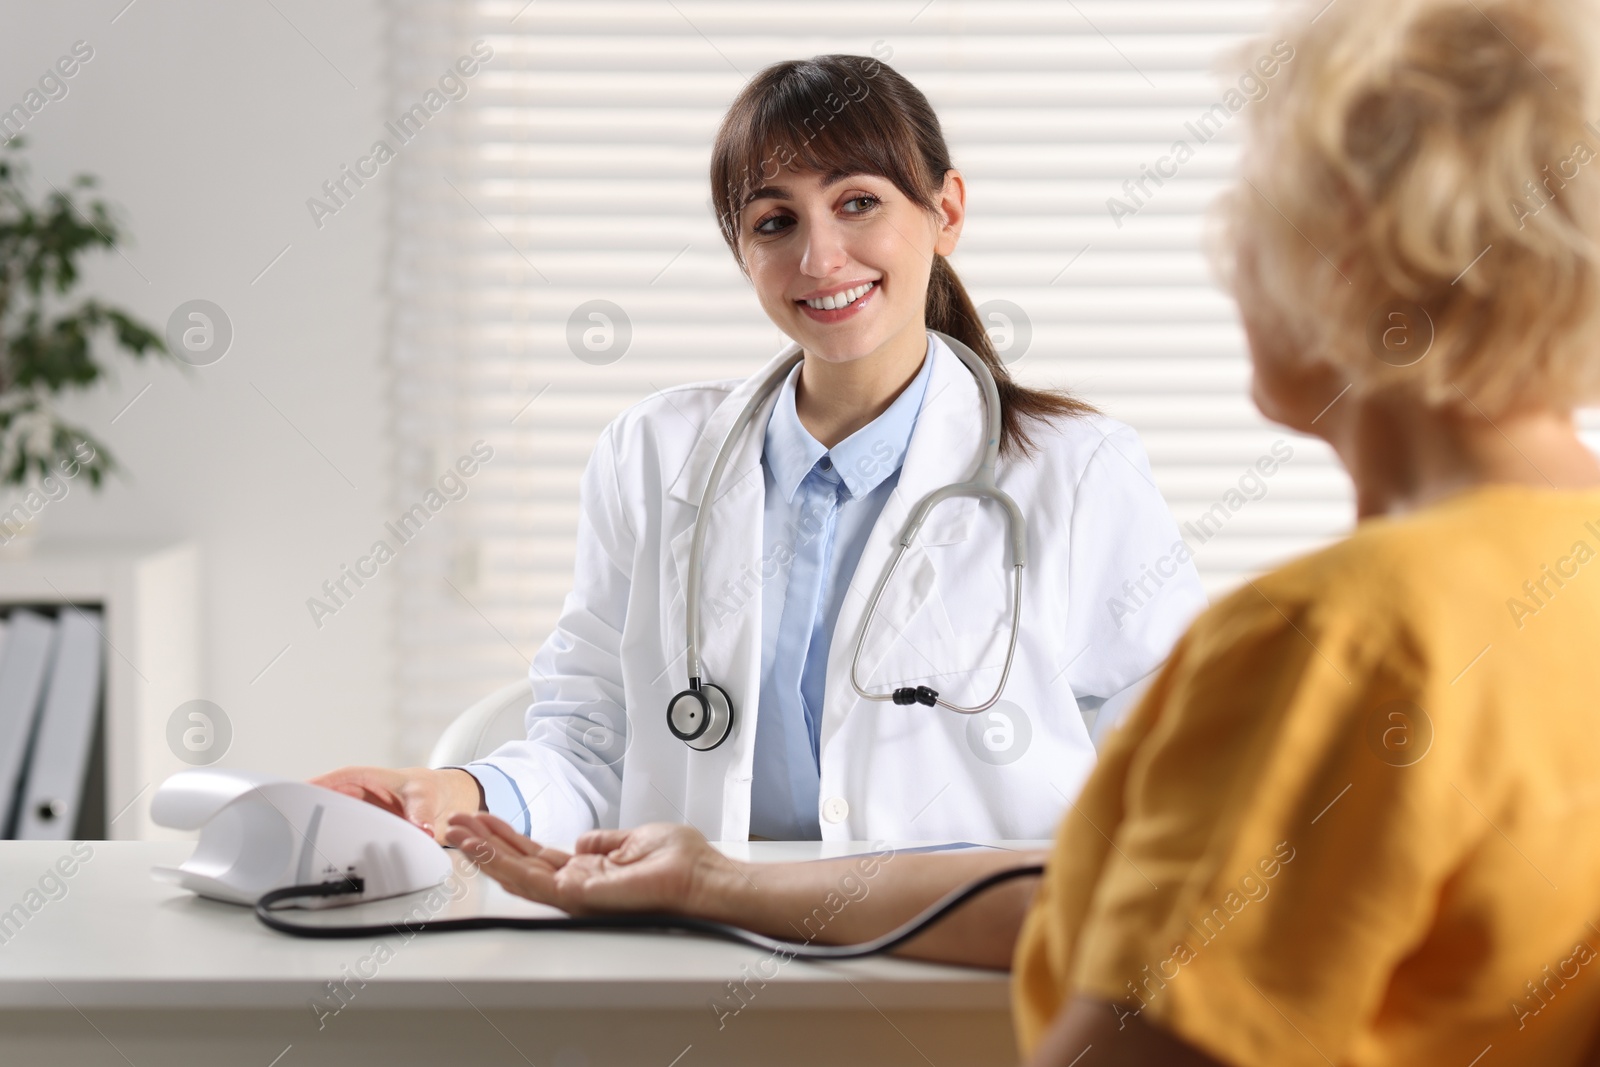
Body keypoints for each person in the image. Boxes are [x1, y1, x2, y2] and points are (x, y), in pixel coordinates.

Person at [440, 1, 1600, 1063]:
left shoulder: (1328, 643)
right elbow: (1097, 880)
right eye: (773, 220)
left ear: (1336, 270)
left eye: (1247, 214)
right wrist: (720, 880)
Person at [314, 55, 1205, 845]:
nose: (820, 257)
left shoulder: (1076, 470)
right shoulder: (651, 455)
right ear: (742, 250)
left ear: (946, 212)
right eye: (775, 221)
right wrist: (456, 791)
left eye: (858, 202)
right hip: (697, 944)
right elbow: (591, 741)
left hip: (957, 952)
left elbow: (1180, 756)